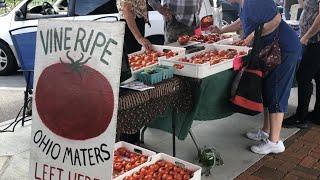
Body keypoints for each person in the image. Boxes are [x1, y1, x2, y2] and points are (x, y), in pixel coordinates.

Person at [212, 0, 301, 154]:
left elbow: (276, 20)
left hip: (282, 49)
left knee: (276, 90)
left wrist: (252, 36)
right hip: (270, 50)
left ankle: (275, 142)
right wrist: (221, 31)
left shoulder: (254, 1)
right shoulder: (245, 4)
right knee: (267, 89)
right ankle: (266, 131)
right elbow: (243, 21)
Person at [283, 0, 320, 127]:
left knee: (303, 77)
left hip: (315, 42)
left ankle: (301, 117)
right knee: (318, 77)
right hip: (313, 41)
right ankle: (317, 115)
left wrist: (306, 37)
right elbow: (307, 7)